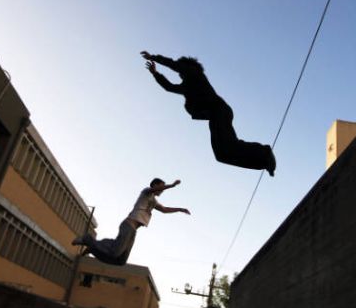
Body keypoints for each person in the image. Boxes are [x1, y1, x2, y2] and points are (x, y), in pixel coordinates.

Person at [140, 51, 276, 176]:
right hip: (214, 115)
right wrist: (155, 73)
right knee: (221, 155)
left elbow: (173, 64)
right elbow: (169, 87)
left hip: (219, 110)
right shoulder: (186, 86)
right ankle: (262, 163)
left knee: (230, 145)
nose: (179, 73)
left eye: (181, 69)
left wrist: (153, 57)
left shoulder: (195, 73)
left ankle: (264, 152)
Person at [72, 178, 190, 265]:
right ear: (155, 185)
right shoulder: (146, 192)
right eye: (161, 187)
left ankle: (92, 248)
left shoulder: (153, 201)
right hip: (128, 225)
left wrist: (179, 209)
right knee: (115, 252)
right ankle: (88, 240)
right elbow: (156, 189)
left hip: (133, 230)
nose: (162, 191)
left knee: (120, 261)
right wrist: (171, 185)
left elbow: (164, 209)